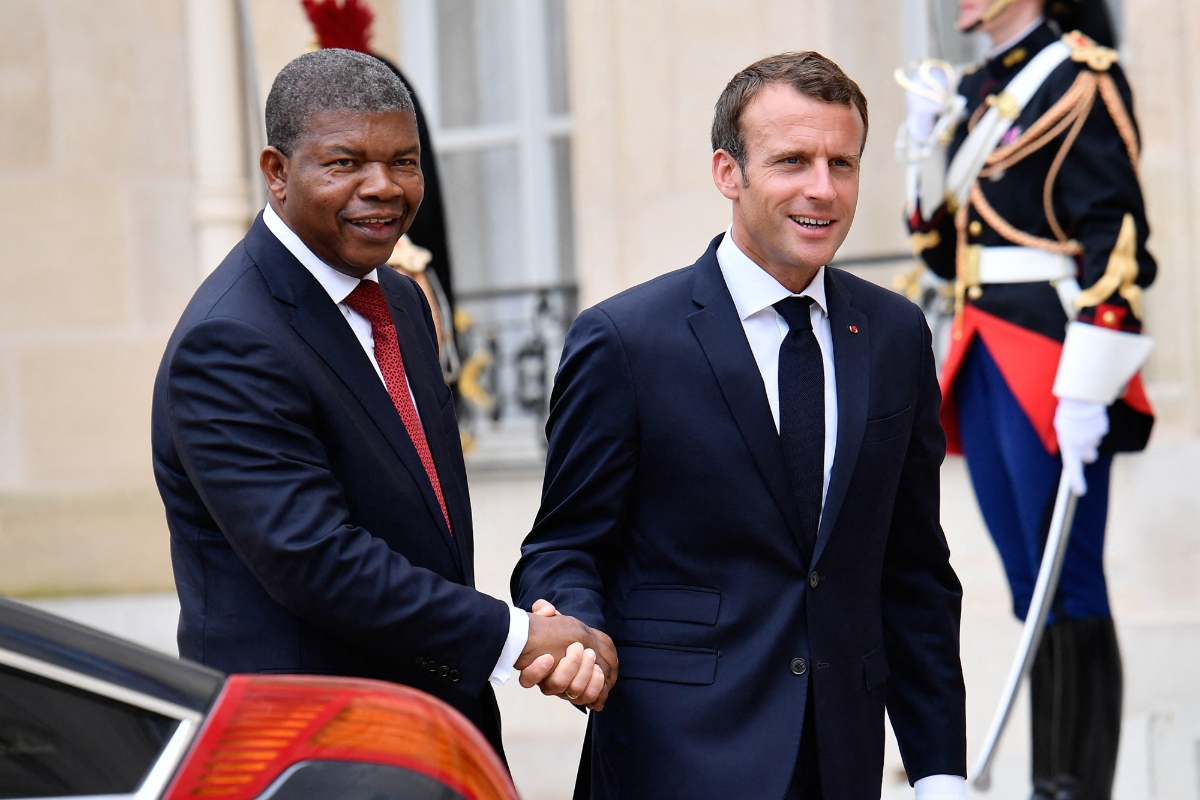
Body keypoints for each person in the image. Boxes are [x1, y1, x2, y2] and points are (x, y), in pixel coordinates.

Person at [512, 51, 967, 800]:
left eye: (842, 163)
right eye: (792, 161)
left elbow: (913, 571)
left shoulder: (894, 335)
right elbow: (562, 546)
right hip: (672, 759)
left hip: (842, 763)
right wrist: (576, 630)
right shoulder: (625, 340)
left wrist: (939, 769)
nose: (823, 189)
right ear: (729, 173)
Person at [150, 48, 616, 760]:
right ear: (277, 173)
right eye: (344, 163)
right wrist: (519, 637)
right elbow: (318, 560)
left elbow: (417, 524)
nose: (384, 187)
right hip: (309, 750)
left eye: (404, 161)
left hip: (432, 726)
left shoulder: (397, 297)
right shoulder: (230, 341)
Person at [897, 0, 1155, 796]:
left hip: (1051, 353)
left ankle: (1073, 783)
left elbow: (1118, 239)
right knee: (1026, 581)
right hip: (979, 348)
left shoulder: (1081, 77)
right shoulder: (973, 89)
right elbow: (939, 245)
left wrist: (1089, 380)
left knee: (1066, 576)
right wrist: (920, 146)